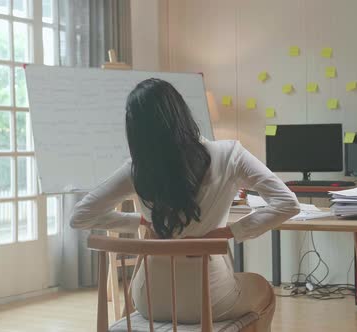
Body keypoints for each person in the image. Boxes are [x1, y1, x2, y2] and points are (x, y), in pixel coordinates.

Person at [70, 78, 300, 331]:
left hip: (148, 301)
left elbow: (80, 216)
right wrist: (227, 233)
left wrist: (141, 220)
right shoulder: (230, 155)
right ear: (180, 112)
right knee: (263, 289)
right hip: (211, 300)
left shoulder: (137, 170)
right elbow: (287, 203)